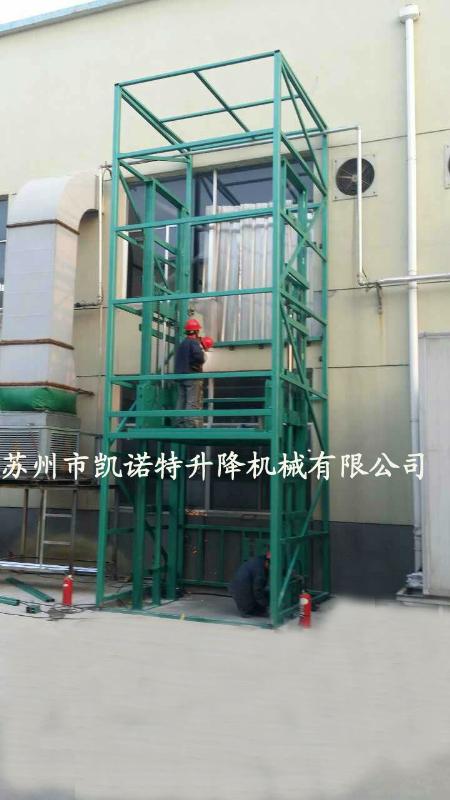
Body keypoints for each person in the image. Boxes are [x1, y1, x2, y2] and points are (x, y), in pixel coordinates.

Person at [174, 318, 205, 427]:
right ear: (196, 331)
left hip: (180, 376)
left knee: (181, 399)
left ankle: (178, 422)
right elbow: (199, 357)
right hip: (191, 376)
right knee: (192, 400)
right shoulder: (193, 342)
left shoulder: (182, 344)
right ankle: (190, 423)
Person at [229, 552, 270, 617]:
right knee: (264, 593)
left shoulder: (258, 561)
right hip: (243, 592)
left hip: (237, 589)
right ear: (267, 562)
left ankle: (247, 609)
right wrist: (266, 604)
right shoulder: (259, 569)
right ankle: (247, 610)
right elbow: (257, 590)